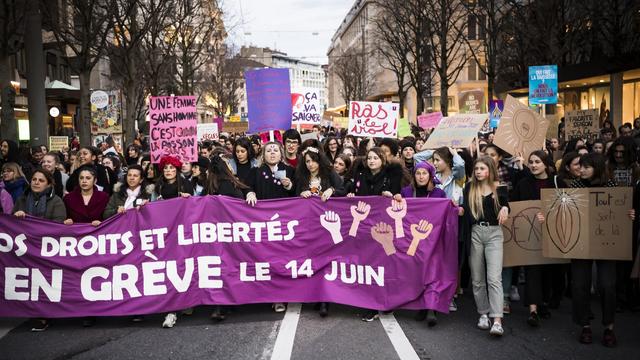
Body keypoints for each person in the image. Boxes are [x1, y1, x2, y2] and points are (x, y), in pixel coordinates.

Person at [539, 153, 634, 347]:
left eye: (585, 167)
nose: (580, 170)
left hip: (606, 242)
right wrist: (546, 216)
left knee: (607, 285)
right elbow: (561, 211)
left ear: (597, 168)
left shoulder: (612, 188)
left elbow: (619, 211)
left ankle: (609, 327)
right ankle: (585, 326)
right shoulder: (575, 187)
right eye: (580, 166)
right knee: (580, 285)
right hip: (580, 243)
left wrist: (629, 214)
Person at [346, 147, 404, 321]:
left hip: (383, 228)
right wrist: (350, 194)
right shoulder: (361, 175)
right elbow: (355, 193)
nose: (371, 161)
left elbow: (399, 195)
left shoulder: (391, 175)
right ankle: (370, 304)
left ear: (383, 160)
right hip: (364, 228)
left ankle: (387, 302)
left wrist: (392, 195)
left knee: (384, 266)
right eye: (369, 158)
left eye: (375, 158)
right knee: (367, 266)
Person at [12, 168, 66, 332]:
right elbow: (11, 223)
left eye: (41, 180)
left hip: (46, 248)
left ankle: (43, 315)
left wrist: (35, 225)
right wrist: (17, 216)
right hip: (26, 248)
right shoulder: (22, 199)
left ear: (49, 184)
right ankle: (33, 311)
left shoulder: (56, 201)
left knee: (44, 281)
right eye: (34, 179)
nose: (36, 182)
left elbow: (58, 225)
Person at [462, 156, 509, 337]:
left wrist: (505, 208)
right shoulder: (469, 187)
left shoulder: (500, 187)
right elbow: (465, 210)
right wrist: (458, 209)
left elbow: (506, 205)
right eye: (476, 169)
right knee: (477, 277)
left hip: (494, 233)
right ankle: (483, 314)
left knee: (494, 278)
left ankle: (497, 319)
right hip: (475, 232)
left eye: (482, 168)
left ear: (490, 169)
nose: (479, 172)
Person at [511, 151, 557, 327]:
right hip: (529, 233)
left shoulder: (556, 182)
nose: (533, 165)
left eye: (537, 161)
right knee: (532, 271)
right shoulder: (523, 183)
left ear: (545, 163)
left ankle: (544, 302)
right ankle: (533, 310)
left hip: (552, 234)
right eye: (531, 162)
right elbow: (514, 204)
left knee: (548, 272)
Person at [152, 155, 193, 328]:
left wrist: (188, 199)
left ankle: (186, 300)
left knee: (183, 266)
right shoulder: (157, 187)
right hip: (164, 234)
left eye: (172, 168)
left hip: (181, 233)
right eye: (166, 168)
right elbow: (152, 206)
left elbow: (196, 205)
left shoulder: (185, 185)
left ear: (176, 170)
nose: (169, 171)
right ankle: (172, 309)